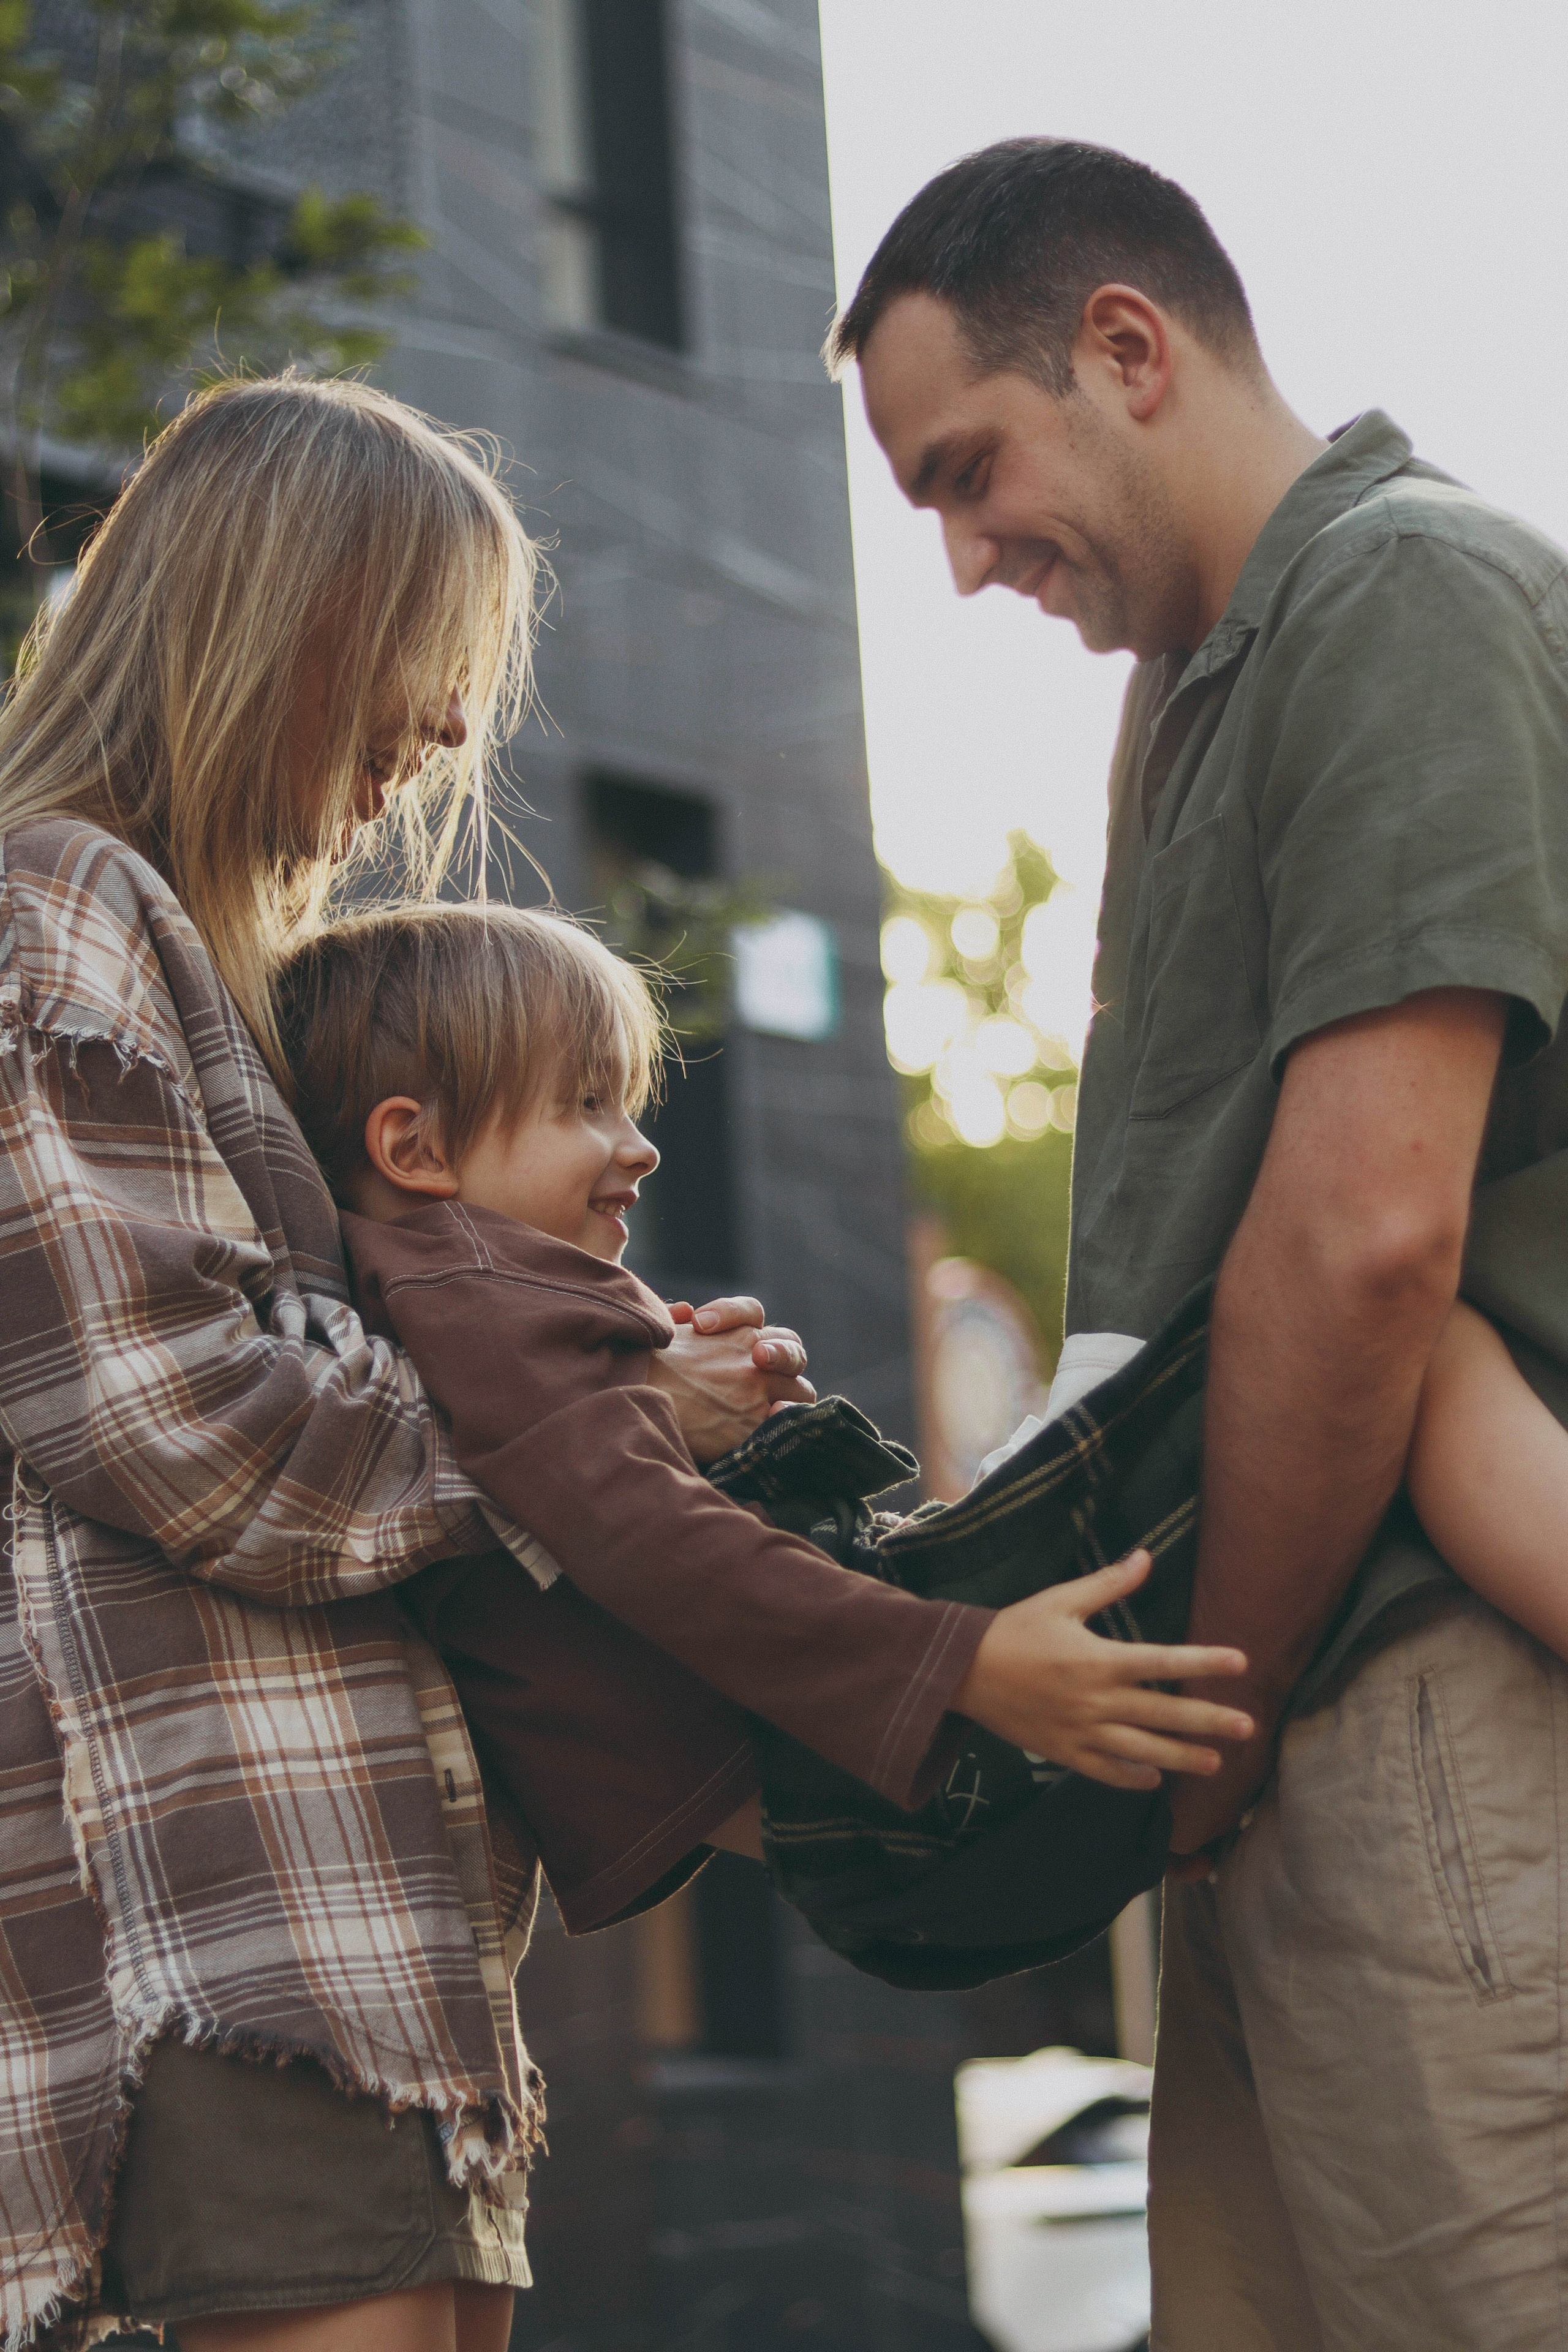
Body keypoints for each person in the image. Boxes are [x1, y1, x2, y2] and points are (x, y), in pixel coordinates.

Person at [0, 371, 1193, 2352]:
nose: (454, 727)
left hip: (368, 1940)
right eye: (423, 655)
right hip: (238, 1950)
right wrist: (616, 1421)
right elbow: (170, 1420)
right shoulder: (55, 914)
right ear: (283, 614)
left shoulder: (194, 976)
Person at [829, 137, 1568, 2350]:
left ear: (1128, 350)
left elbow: (1362, 1239)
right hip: (1276, 1730)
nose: (963, 562)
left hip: (1401, 1695)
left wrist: (1206, 1727)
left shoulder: (1402, 592)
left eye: (971, 469)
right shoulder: (1198, 692)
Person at [271, 899, 1256, 1904]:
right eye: (584, 1105)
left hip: (803, 1756)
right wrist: (962, 1666)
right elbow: (649, 1532)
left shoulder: (449, 1296)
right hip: (824, 1760)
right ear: (417, 1150)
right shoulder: (469, 1286)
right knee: (1211, 1418)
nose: (639, 1145)